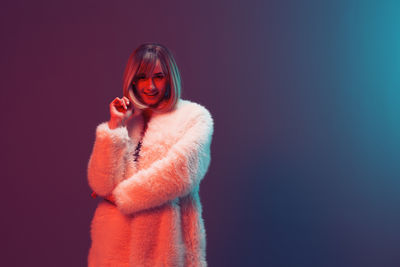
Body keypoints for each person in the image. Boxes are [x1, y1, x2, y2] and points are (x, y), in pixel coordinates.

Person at [87, 43, 214, 267]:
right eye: (143, 77)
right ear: (133, 80)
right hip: (113, 249)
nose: (151, 86)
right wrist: (115, 125)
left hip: (163, 249)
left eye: (159, 76)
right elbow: (101, 182)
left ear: (170, 78)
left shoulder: (194, 117)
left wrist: (120, 197)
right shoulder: (127, 119)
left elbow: (179, 173)